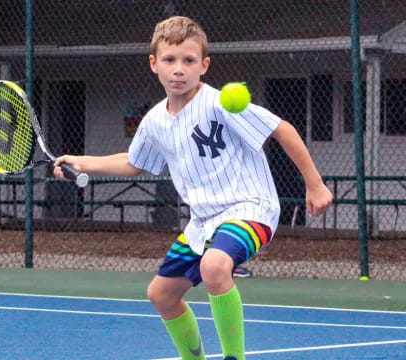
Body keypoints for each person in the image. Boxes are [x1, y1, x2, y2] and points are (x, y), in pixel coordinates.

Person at [54, 16, 332, 360]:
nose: (179, 69)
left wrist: (315, 185)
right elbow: (135, 162)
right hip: (202, 222)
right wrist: (82, 162)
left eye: (189, 61)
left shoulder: (221, 104)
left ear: (204, 65)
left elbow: (283, 129)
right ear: (154, 64)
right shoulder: (155, 120)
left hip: (250, 208)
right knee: (162, 294)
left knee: (214, 267)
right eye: (170, 60)